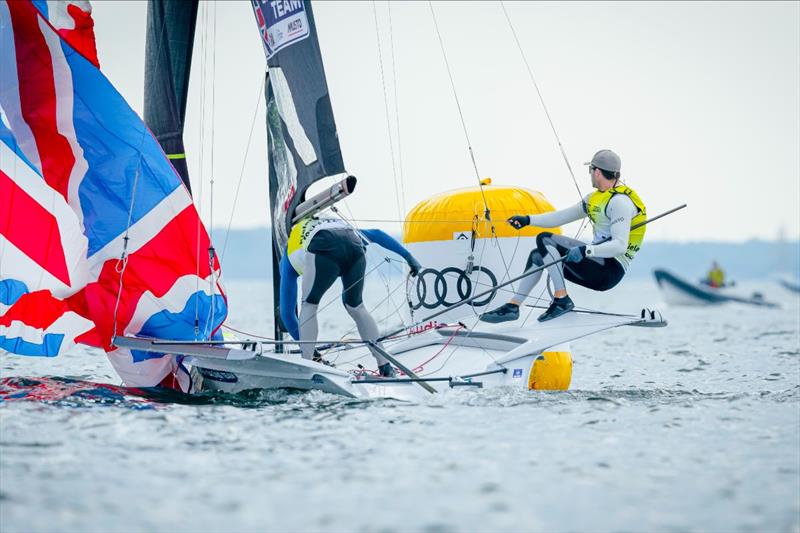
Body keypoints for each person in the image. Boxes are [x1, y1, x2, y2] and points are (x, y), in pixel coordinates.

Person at [480, 149, 646, 323]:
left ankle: (561, 300)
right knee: (538, 256)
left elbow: (620, 245)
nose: (589, 174)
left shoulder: (620, 202)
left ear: (597, 171)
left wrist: (586, 251)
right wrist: (527, 220)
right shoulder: (594, 198)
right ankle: (513, 306)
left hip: (609, 270)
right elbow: (560, 217)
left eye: (590, 170)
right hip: (595, 263)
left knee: (545, 239)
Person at [279, 215, 421, 377]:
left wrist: (313, 351)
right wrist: (409, 258)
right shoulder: (327, 223)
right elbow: (377, 234)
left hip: (323, 244)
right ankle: (385, 366)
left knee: (309, 304)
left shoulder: (288, 255)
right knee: (356, 306)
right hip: (353, 243)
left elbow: (287, 314)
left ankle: (309, 364)